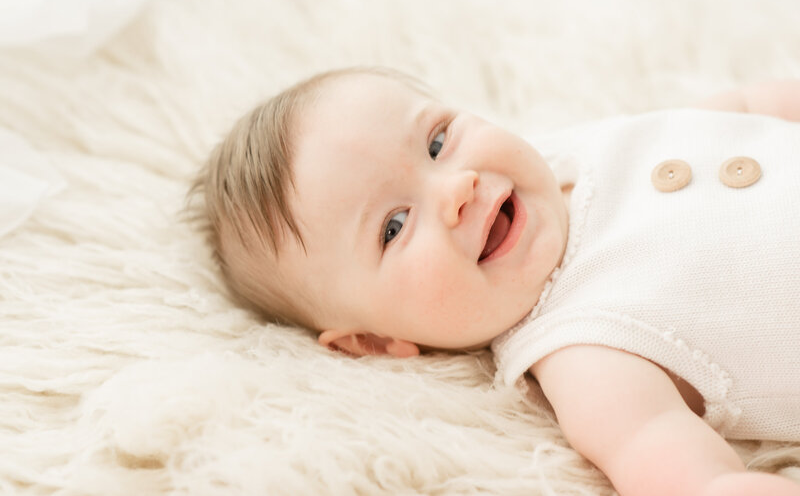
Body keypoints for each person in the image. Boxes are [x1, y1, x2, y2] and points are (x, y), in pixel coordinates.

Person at [190, 67, 800, 496]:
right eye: (394, 226)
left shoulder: (572, 150)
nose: (455, 188)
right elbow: (657, 448)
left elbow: (740, 110)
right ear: (373, 342)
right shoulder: (583, 348)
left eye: (436, 141)